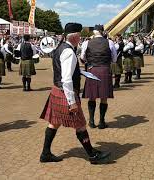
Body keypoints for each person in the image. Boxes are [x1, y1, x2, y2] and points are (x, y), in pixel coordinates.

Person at [39, 23, 111, 164]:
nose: (80, 38)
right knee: (80, 125)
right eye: (79, 35)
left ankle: (45, 154)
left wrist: (78, 72)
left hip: (56, 90)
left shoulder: (60, 48)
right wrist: (72, 101)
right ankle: (92, 155)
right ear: (76, 37)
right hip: (65, 93)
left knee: (54, 123)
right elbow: (66, 79)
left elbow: (59, 71)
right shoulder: (69, 52)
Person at [81, 25, 116, 129]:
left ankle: (91, 122)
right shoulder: (110, 42)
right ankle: (102, 122)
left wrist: (89, 61)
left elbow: (82, 57)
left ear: (94, 32)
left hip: (92, 70)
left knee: (92, 97)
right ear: (102, 32)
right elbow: (114, 59)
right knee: (104, 97)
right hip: (105, 70)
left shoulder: (86, 42)